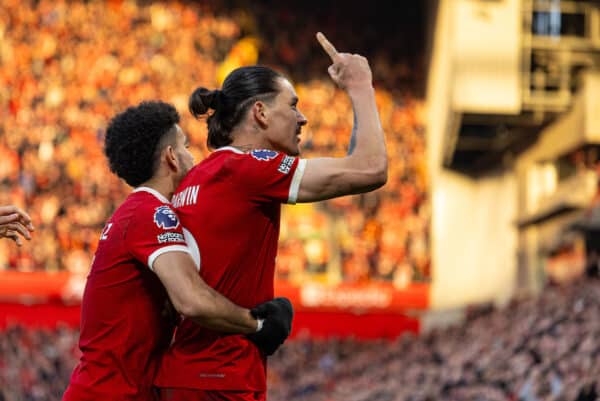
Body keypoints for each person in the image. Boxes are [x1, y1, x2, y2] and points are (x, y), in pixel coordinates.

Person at [155, 32, 387, 401]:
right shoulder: (249, 168)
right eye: (292, 106)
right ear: (260, 113)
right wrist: (360, 86)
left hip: (186, 374)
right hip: (221, 377)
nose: (303, 118)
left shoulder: (196, 177)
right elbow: (371, 168)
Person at [62, 101, 293, 401]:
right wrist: (259, 324)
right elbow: (192, 300)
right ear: (171, 157)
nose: (192, 157)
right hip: (112, 393)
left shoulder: (134, 213)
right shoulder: (152, 212)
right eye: (185, 146)